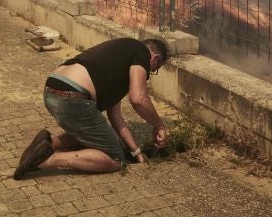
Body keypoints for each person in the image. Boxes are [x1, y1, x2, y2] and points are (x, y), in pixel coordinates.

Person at [13, 37, 170, 179]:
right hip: (72, 96)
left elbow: (116, 118)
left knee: (97, 133)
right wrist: (158, 125)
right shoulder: (141, 52)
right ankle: (44, 161)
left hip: (52, 89)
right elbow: (138, 99)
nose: (150, 73)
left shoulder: (120, 60)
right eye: (154, 69)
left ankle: (49, 143)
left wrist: (137, 152)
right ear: (154, 58)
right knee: (115, 159)